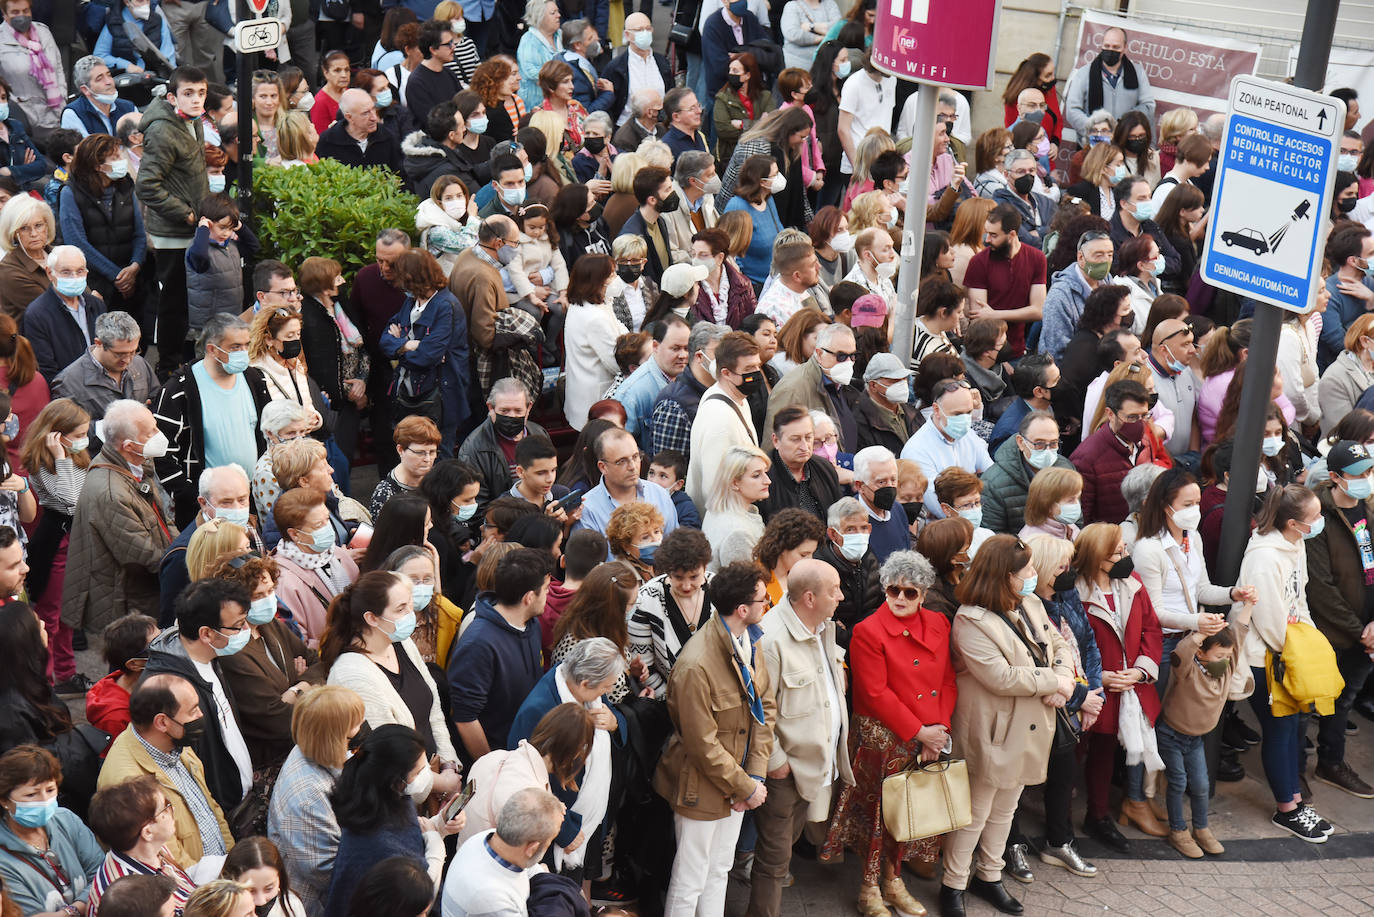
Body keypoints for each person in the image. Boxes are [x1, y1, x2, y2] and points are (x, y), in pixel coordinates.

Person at [937, 535, 1072, 917]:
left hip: (1028, 724)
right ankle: (953, 884)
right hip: (992, 729)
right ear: (1004, 576)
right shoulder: (970, 618)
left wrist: (1061, 678)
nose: (1034, 575)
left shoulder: (1030, 602)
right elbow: (1000, 676)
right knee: (974, 814)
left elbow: (1058, 645)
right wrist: (1054, 683)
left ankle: (990, 876)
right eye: (1026, 570)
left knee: (1005, 809)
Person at [654, 560, 774, 917]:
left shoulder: (751, 639)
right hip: (702, 786)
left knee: (719, 869)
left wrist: (753, 777)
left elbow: (764, 708)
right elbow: (701, 744)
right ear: (743, 609)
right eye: (763, 600)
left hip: (736, 781)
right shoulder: (696, 665)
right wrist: (746, 787)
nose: (767, 605)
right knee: (690, 878)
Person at [1236, 485, 1336, 841]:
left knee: (1295, 728)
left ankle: (1294, 799)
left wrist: (1307, 639)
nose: (1320, 521)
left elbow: (1300, 598)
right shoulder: (1263, 557)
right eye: (1315, 517)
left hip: (1290, 650)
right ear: (1294, 523)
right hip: (1265, 658)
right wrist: (1294, 649)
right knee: (1280, 730)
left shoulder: (1297, 545)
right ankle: (1287, 810)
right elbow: (1269, 617)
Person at [1070, 522, 1165, 852]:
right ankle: (1059, 822)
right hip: (1090, 689)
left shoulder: (1133, 584)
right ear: (1097, 557)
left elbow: (1152, 631)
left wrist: (1140, 671)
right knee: (1072, 753)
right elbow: (1069, 645)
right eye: (1118, 552)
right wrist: (1099, 678)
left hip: (1127, 687)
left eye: (1125, 549)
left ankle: (1097, 817)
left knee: (1103, 754)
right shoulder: (1074, 594)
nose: (1126, 556)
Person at [322, 571, 463, 783]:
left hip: (433, 772)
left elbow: (432, 706)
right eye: (401, 609)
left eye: (410, 604)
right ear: (371, 618)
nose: (411, 614)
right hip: (400, 792)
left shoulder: (400, 643)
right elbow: (388, 759)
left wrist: (448, 762)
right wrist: (441, 783)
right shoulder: (352, 675)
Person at [63, 399, 179, 635]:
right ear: (128, 445)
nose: (159, 435)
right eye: (151, 432)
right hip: (129, 605)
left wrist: (180, 549)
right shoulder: (110, 493)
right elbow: (144, 555)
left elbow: (165, 521)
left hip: (142, 594)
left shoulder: (136, 465)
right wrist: (184, 564)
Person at [323, 724, 463, 916]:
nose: (427, 776)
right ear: (395, 779)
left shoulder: (383, 795)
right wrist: (437, 850)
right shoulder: (380, 842)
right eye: (419, 772)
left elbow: (411, 831)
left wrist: (440, 824)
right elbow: (419, 898)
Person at [153, 312, 272, 528]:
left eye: (246, 345)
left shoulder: (254, 379)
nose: (243, 353)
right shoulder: (178, 391)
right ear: (212, 349)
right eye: (235, 347)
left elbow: (268, 432)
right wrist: (187, 495)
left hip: (251, 502)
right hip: (206, 509)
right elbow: (162, 453)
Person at [98, 674, 233, 864]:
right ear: (162, 722)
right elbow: (168, 860)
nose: (200, 715)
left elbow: (211, 809)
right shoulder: (129, 785)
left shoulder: (174, 741)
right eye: (193, 710)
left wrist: (232, 862)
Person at [266, 685, 365, 917]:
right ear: (334, 734)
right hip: (316, 904)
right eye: (354, 724)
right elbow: (328, 872)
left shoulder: (310, 747)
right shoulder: (308, 798)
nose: (361, 727)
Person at [135, 67, 208, 375]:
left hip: (191, 226)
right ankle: (168, 367)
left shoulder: (193, 120)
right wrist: (187, 213)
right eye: (188, 94)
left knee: (186, 299)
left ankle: (182, 359)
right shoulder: (163, 130)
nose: (196, 100)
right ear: (171, 97)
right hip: (174, 232)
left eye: (201, 93)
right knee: (173, 302)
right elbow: (147, 185)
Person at [448, 549, 551, 759]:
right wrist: (495, 765)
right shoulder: (478, 644)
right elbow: (465, 718)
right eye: (547, 589)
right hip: (498, 760)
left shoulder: (531, 623)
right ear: (529, 597)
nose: (548, 595)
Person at [0, 744, 104, 917]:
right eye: (31, 795)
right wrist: (88, 902)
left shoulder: (66, 819)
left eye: (50, 790)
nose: (44, 800)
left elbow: (101, 873)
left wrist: (69, 911)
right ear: (5, 800)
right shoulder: (3, 860)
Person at [85, 774, 198, 917]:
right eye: (166, 807)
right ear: (148, 832)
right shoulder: (126, 896)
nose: (173, 810)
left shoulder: (153, 848)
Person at [442, 788, 563, 917]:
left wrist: (542, 874)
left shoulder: (487, 838)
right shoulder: (492, 898)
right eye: (549, 841)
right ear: (532, 849)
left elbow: (532, 870)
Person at [58, 134, 145, 314]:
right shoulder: (71, 192)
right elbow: (77, 242)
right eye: (115, 158)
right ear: (98, 165)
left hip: (132, 281)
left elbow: (139, 232)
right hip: (96, 283)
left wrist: (135, 266)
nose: (122, 161)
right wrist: (117, 275)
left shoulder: (126, 186)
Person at [964, 204, 1047, 360]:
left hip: (1017, 350)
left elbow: (1038, 311)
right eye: (986, 233)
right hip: (985, 353)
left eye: (994, 235)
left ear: (1012, 235)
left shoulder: (1036, 258)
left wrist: (995, 314)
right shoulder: (979, 262)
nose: (987, 240)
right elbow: (980, 317)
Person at [1062, 27, 1154, 135]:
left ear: (1125, 48)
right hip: (1093, 143)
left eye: (1116, 47)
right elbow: (1072, 110)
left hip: (1126, 141)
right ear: (1101, 45)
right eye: (1107, 46)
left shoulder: (1138, 73)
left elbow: (1148, 106)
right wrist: (1096, 130)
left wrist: (1123, 125)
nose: (1110, 50)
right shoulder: (1083, 74)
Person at [0, 194, 54, 320]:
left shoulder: (60, 253)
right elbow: (51, 311)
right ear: (13, 233)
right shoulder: (8, 270)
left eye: (38, 225)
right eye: (24, 228)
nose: (34, 234)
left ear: (47, 225)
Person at [61, 56, 136, 138]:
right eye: (99, 79)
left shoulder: (129, 108)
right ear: (85, 89)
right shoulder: (73, 114)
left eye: (109, 75)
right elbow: (84, 150)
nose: (109, 82)